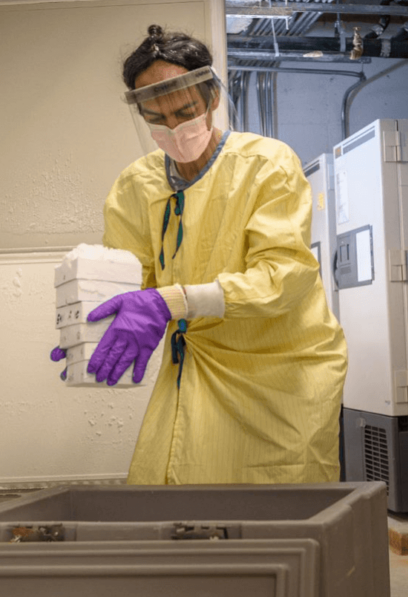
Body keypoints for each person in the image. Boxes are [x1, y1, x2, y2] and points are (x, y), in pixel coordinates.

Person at [51, 25, 347, 485]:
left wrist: (171, 303)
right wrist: (89, 327)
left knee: (276, 503)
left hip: (279, 373)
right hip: (193, 362)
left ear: (210, 98)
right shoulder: (136, 184)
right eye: (157, 118)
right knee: (170, 494)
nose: (174, 128)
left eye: (185, 111)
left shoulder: (267, 165)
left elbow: (282, 279)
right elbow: (130, 283)